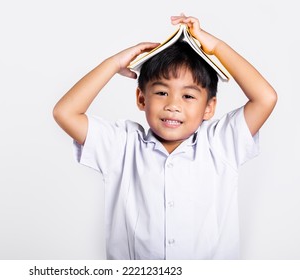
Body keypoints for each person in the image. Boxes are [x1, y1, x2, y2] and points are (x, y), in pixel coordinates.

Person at [53, 14, 277, 259]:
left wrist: (217, 48)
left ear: (209, 107)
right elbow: (65, 112)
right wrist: (113, 63)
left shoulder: (220, 144)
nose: (173, 105)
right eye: (161, 92)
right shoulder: (123, 145)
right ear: (141, 98)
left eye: (188, 96)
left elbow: (266, 98)